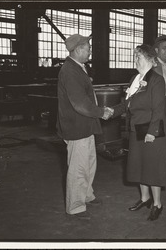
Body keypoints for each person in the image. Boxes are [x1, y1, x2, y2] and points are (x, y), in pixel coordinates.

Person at [56, 34, 114, 219]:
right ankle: (75, 206)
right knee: (78, 168)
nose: (90, 50)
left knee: (89, 164)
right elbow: (80, 103)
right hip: (76, 127)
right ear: (78, 49)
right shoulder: (70, 71)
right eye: (88, 47)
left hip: (85, 126)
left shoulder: (79, 68)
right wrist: (101, 112)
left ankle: (87, 195)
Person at [113, 44, 166, 221]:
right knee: (139, 166)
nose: (135, 60)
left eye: (139, 57)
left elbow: (159, 109)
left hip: (152, 130)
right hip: (136, 128)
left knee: (152, 168)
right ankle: (145, 198)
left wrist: (152, 132)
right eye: (135, 57)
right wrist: (109, 112)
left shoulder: (157, 80)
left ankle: (157, 203)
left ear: (151, 60)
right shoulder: (135, 79)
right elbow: (126, 104)